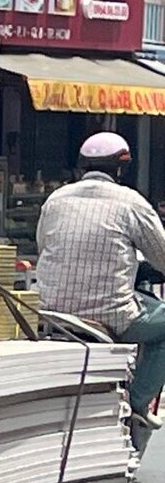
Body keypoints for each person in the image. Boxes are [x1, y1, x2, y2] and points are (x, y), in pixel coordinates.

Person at [35, 131, 165, 452]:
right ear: (121, 169)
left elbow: (44, 245)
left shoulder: (56, 200)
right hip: (111, 314)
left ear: (82, 167)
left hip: (53, 311)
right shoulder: (131, 202)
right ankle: (136, 405)